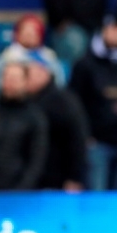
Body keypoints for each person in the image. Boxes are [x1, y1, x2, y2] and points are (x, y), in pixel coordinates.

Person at [69, 14, 117, 191]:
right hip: (97, 145)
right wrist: (85, 137)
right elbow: (74, 104)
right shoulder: (84, 65)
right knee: (96, 197)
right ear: (101, 32)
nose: (114, 34)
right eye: (110, 29)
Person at [0, 60, 49, 190]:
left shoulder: (35, 117)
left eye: (15, 78)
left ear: (25, 82)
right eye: (6, 77)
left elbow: (37, 160)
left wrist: (22, 189)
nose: (9, 82)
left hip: (17, 190)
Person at [26, 52, 89, 192]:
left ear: (44, 73)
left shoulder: (62, 101)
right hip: (35, 180)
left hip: (57, 180)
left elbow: (77, 139)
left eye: (29, 74)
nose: (27, 79)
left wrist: (74, 177)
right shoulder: (28, 101)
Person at [0, 13, 66, 104]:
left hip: (44, 105)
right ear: (17, 34)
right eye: (26, 31)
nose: (29, 35)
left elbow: (59, 88)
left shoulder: (50, 59)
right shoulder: (3, 59)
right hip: (9, 105)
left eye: (34, 31)